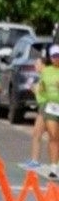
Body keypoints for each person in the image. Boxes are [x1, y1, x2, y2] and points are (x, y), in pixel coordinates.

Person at [35, 44, 59, 179]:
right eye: (54, 56)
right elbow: (41, 87)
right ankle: (54, 167)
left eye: (58, 56)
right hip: (51, 106)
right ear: (50, 57)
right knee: (53, 135)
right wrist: (41, 94)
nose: (57, 58)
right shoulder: (46, 71)